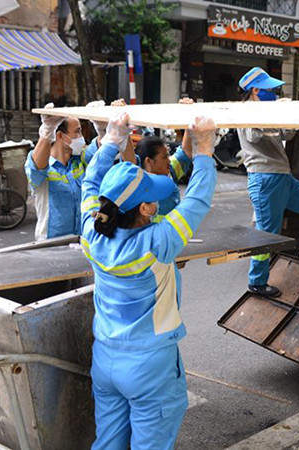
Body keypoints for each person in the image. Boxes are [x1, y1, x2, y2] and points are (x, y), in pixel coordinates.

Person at [79, 111, 218, 449]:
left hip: (106, 359)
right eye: (152, 197)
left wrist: (111, 141)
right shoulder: (158, 243)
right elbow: (198, 199)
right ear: (144, 209)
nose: (159, 200)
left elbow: (89, 184)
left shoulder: (91, 234)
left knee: (108, 442)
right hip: (149, 367)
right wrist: (205, 150)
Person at [237, 66, 299, 298]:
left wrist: (296, 116)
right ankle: (256, 282)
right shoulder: (246, 111)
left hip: (282, 176)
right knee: (267, 234)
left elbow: (286, 134)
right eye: (270, 89)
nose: (274, 93)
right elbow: (254, 136)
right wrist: (276, 114)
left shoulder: (269, 112)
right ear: (255, 90)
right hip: (265, 177)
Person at [26, 100, 118, 240]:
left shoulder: (80, 159)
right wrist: (48, 130)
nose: (81, 137)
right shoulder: (44, 164)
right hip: (52, 244)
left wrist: (103, 128)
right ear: (61, 136)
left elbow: (102, 150)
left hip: (84, 240)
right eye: (77, 132)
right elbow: (36, 168)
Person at [135, 99, 195, 222]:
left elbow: (186, 152)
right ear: (148, 161)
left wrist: (190, 117)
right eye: (164, 157)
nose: (168, 160)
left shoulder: (170, 171)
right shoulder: (135, 184)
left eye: (168, 156)